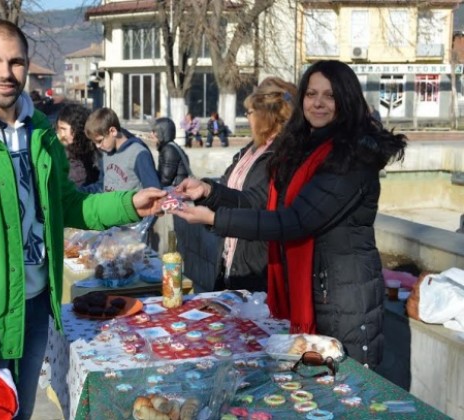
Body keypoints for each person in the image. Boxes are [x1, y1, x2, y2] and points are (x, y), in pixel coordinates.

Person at [0, 20, 166, 420]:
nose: (5, 72)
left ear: (27, 65)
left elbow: (68, 205)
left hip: (33, 308)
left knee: (20, 413)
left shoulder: (38, 133)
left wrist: (131, 203)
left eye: (15, 61)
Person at [172, 60, 407, 369]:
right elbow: (261, 203)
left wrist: (214, 219)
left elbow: (296, 221)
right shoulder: (301, 149)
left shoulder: (352, 157)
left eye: (330, 95)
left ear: (346, 100)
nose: (318, 103)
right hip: (309, 291)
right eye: (311, 94)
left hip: (341, 302)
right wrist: (210, 192)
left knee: (340, 398)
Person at [203, 77, 296, 292]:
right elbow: (225, 187)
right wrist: (202, 191)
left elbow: (255, 203)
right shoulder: (250, 150)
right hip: (231, 263)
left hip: (258, 271)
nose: (247, 118)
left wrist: (211, 207)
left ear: (265, 116)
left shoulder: (282, 156)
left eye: (250, 112)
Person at [85, 107, 161, 192]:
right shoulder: (105, 153)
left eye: (99, 141)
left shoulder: (138, 153)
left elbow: (153, 191)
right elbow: (102, 185)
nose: (97, 146)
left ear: (113, 131)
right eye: (94, 142)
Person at [55, 103, 102, 191]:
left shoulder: (98, 146)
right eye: (58, 129)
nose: (60, 134)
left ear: (77, 128)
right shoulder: (61, 151)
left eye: (63, 129)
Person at [151, 117, 191, 187]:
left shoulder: (169, 150)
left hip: (175, 191)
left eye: (154, 131)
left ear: (162, 132)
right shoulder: (169, 148)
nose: (151, 134)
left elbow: (165, 180)